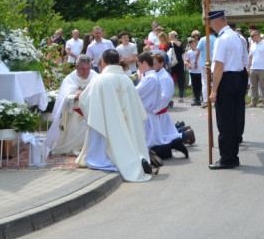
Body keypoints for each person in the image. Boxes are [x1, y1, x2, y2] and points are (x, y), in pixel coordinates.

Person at [76, 49, 152, 181]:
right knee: (127, 143)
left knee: (102, 148)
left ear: (103, 62)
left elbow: (84, 100)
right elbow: (136, 106)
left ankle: (110, 161)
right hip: (126, 122)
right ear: (118, 62)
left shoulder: (99, 80)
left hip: (105, 122)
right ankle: (137, 159)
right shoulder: (127, 80)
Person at [207, 10, 247, 169]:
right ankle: (233, 155)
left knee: (225, 122)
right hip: (237, 78)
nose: (211, 26)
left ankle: (227, 158)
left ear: (216, 22)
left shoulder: (222, 39)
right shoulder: (236, 36)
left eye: (211, 23)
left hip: (226, 80)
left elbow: (219, 65)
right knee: (234, 120)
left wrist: (214, 89)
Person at [136, 53, 189, 160]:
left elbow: (136, 94)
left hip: (153, 113)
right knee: (156, 140)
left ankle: (176, 142)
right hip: (152, 113)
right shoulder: (152, 76)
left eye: (138, 65)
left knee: (151, 144)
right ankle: (175, 143)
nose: (138, 68)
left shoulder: (152, 78)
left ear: (144, 63)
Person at [45, 55, 96, 156]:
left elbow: (100, 94)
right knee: (74, 126)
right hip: (74, 111)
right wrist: (74, 98)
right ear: (76, 67)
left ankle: (89, 148)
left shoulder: (95, 77)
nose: (85, 72)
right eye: (82, 69)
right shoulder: (70, 79)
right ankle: (72, 146)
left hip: (91, 111)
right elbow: (63, 98)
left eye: (87, 69)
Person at [248, 30, 264, 108]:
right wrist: (248, 67)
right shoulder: (253, 45)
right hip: (253, 68)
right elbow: (250, 57)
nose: (251, 38)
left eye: (252, 36)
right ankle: (253, 101)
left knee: (263, 85)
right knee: (253, 86)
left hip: (263, 68)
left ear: (257, 35)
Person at [185, 37, 203, 106]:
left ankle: (202, 99)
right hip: (193, 71)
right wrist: (188, 64)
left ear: (196, 43)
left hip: (200, 70)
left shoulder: (200, 51)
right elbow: (187, 60)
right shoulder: (189, 52)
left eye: (192, 43)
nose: (191, 45)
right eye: (190, 43)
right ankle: (197, 99)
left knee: (200, 85)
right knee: (195, 86)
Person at [168, 31, 185, 100]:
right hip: (180, 62)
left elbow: (168, 52)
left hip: (173, 63)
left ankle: (169, 94)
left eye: (169, 36)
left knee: (169, 78)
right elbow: (182, 52)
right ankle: (181, 96)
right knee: (181, 79)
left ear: (172, 36)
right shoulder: (180, 43)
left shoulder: (170, 43)